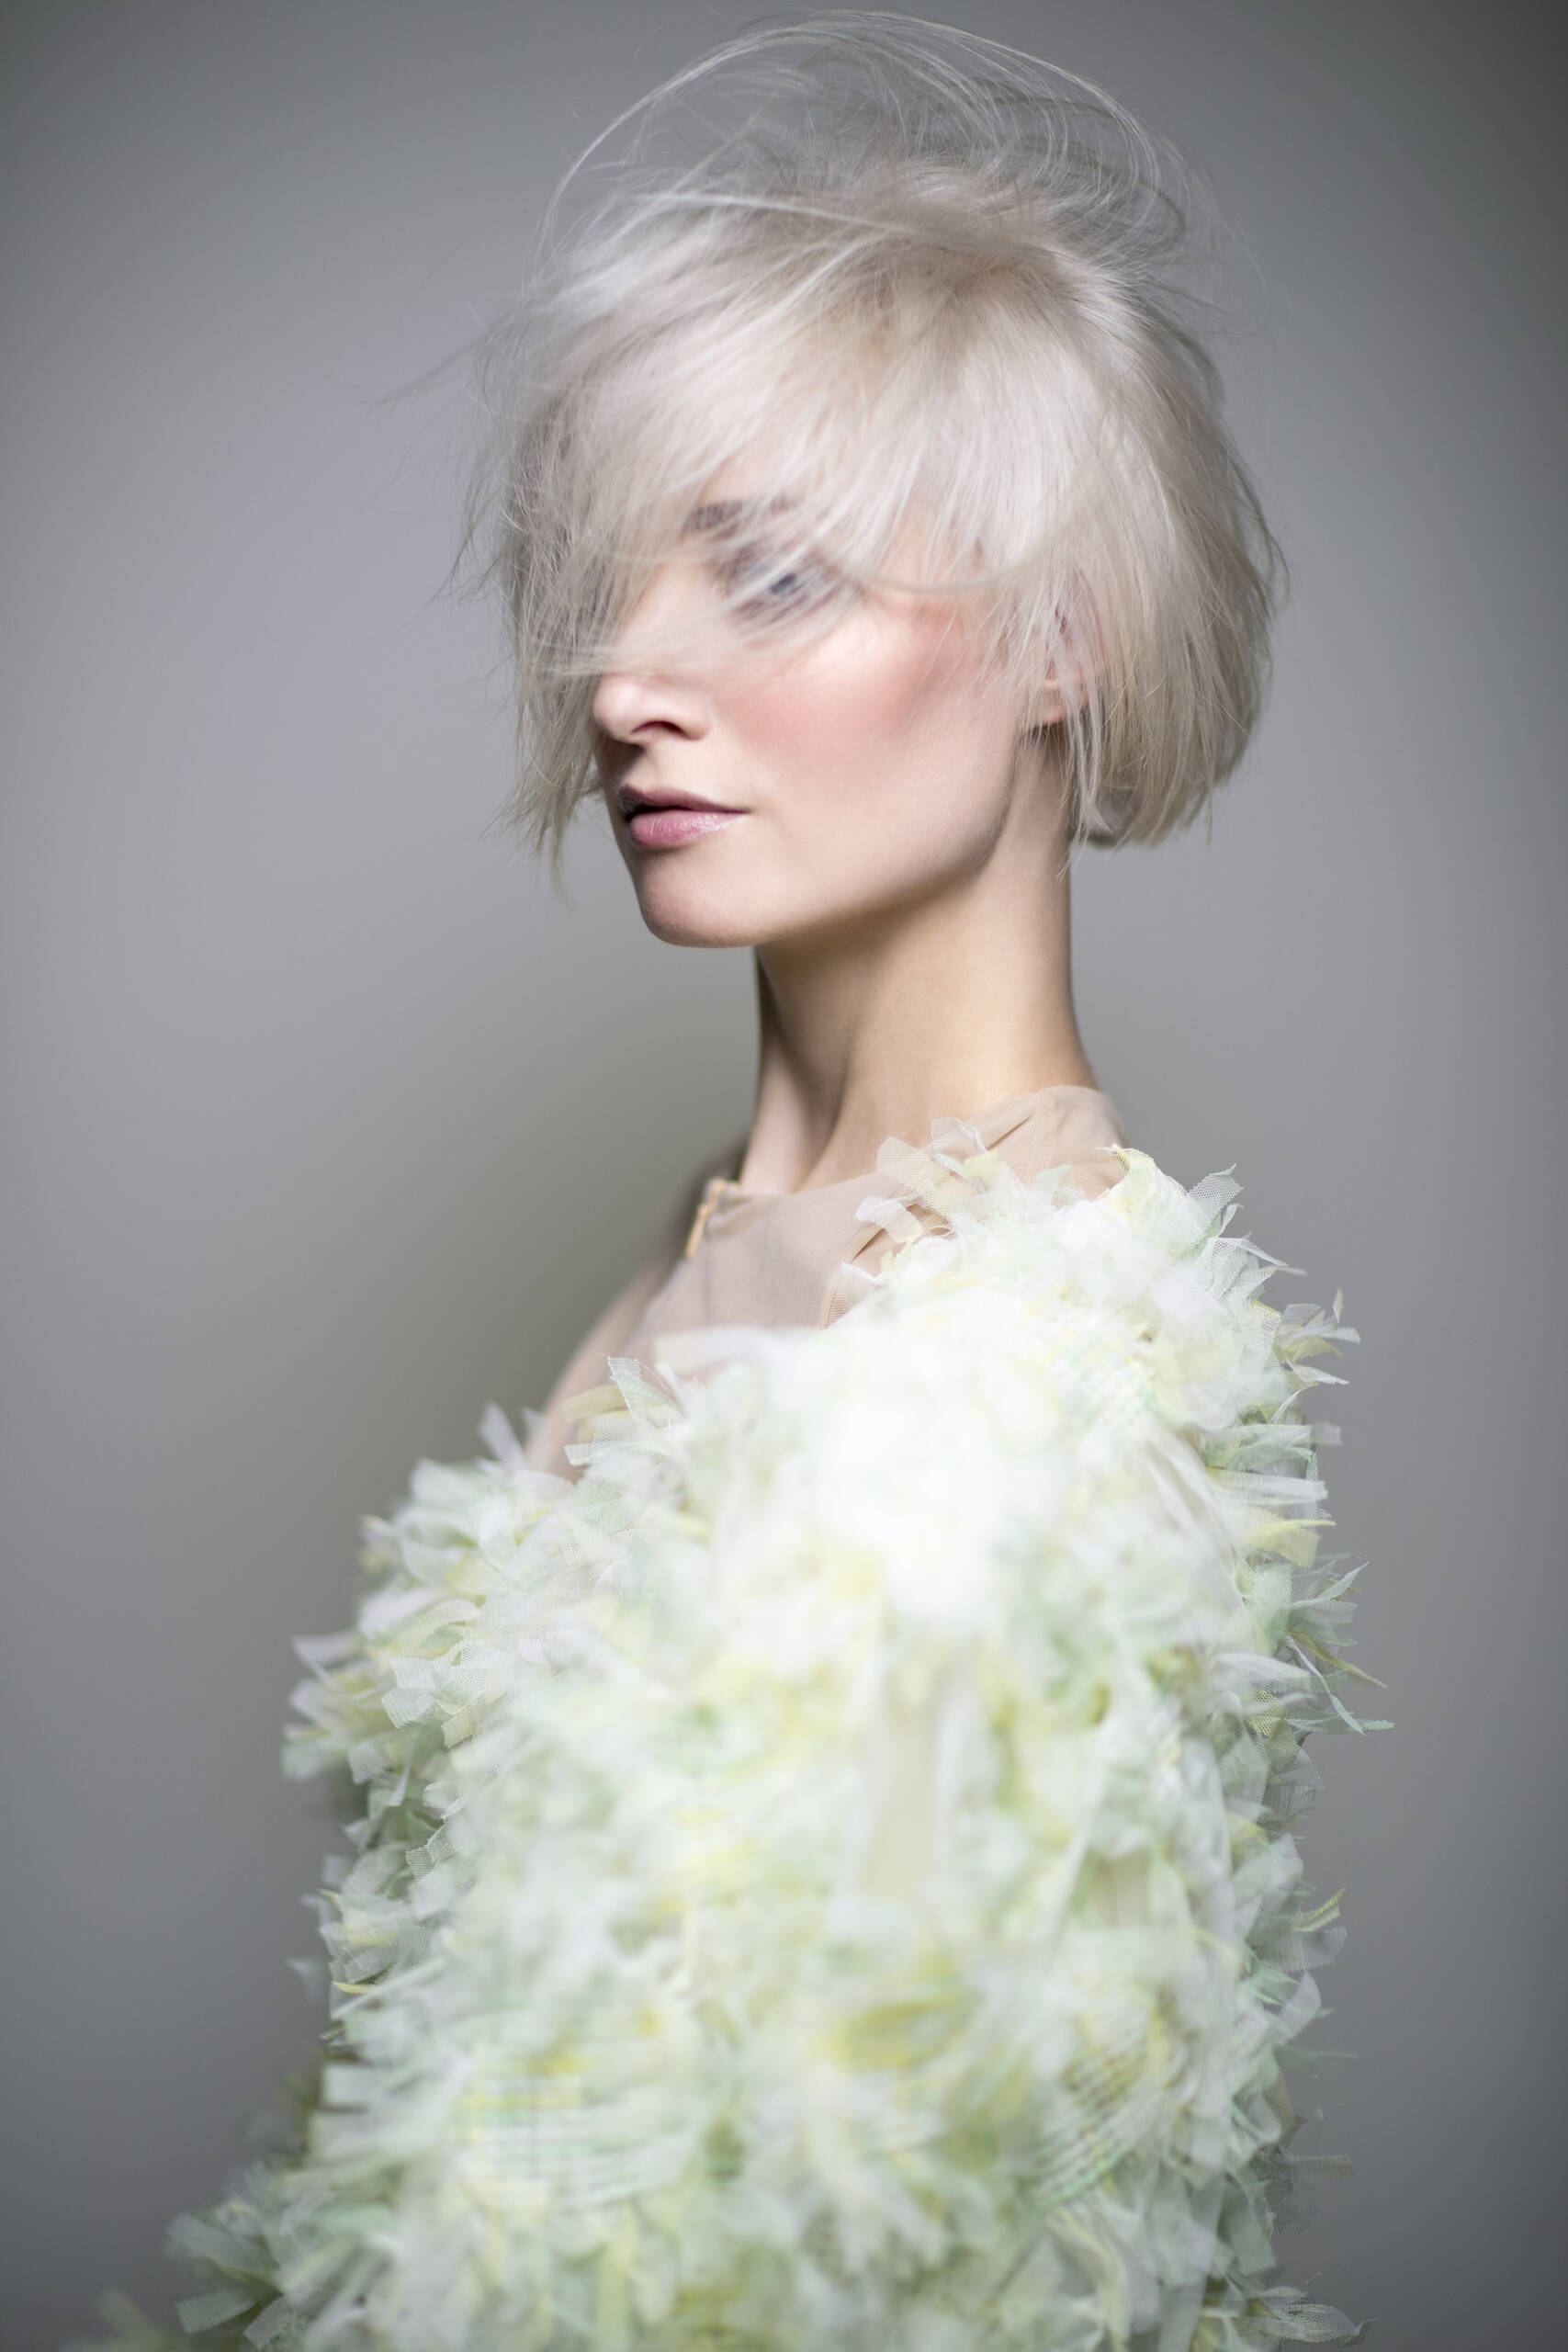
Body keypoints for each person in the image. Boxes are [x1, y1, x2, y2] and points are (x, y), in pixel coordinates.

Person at [89, 16, 1371, 2348]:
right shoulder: (725, 1245)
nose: (623, 684)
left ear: (1062, 640)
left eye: (773, 577)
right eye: (618, 586)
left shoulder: (1030, 1374)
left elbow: (831, 2235)